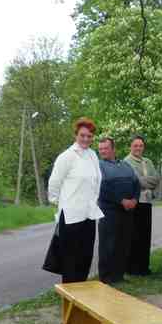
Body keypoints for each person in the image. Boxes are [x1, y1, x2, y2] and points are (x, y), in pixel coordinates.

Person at [47, 117, 103, 283]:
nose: (86, 139)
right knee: (71, 261)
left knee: (85, 258)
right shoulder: (67, 156)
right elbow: (54, 183)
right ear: (76, 135)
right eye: (82, 135)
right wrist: (60, 203)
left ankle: (81, 295)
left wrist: (93, 202)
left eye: (89, 136)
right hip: (71, 216)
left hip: (89, 214)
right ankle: (69, 295)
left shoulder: (92, 155)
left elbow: (97, 181)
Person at [96, 137, 140, 284]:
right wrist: (121, 201)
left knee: (123, 243)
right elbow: (102, 188)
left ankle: (118, 276)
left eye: (105, 148)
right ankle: (106, 278)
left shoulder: (126, 165)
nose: (102, 151)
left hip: (127, 211)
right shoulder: (98, 166)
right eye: (100, 149)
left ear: (113, 149)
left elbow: (136, 183)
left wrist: (135, 199)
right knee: (108, 245)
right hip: (109, 211)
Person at [123, 135, 160, 276]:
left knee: (145, 235)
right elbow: (135, 181)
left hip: (147, 202)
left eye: (141, 145)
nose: (138, 148)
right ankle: (132, 268)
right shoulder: (126, 162)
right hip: (135, 202)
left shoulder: (148, 161)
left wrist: (144, 181)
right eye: (135, 145)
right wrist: (145, 181)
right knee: (134, 235)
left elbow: (156, 179)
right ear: (131, 147)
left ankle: (144, 267)